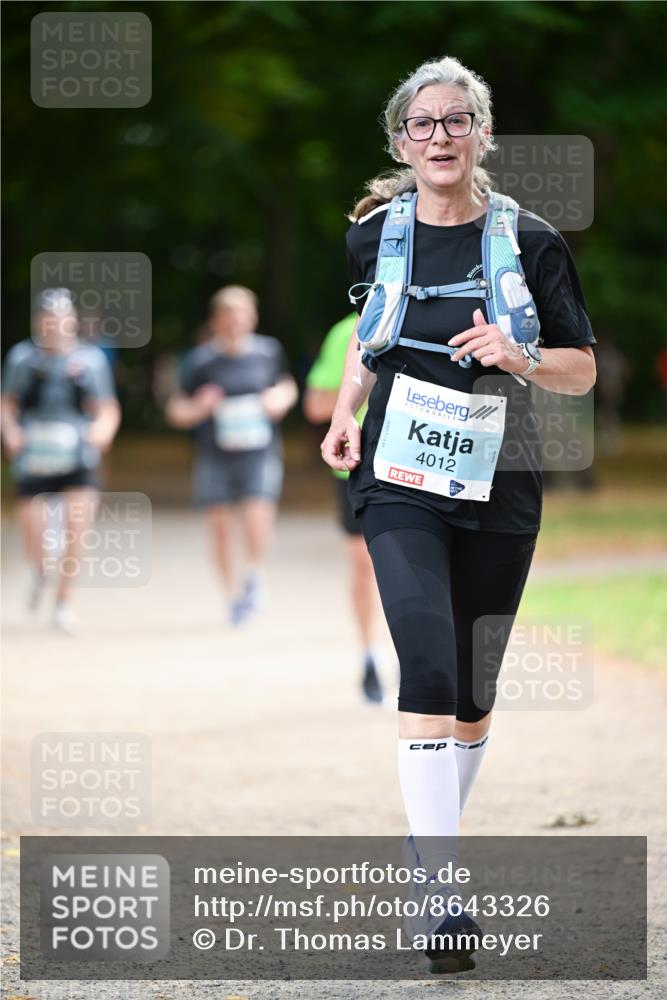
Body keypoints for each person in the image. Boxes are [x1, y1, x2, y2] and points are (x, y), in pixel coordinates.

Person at [320, 56, 596, 969]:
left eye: (455, 122)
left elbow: (580, 368)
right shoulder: (373, 235)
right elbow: (370, 336)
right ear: (400, 141)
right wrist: (342, 410)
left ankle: (425, 844)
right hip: (399, 477)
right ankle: (439, 894)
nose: (438, 138)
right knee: (429, 666)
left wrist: (517, 355)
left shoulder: (533, 241)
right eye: (421, 125)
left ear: (480, 134)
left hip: (502, 478)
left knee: (474, 698)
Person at [166, 285, 297, 625]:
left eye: (241, 316)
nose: (235, 323)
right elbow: (176, 409)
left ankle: (253, 572)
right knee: (220, 528)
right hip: (215, 454)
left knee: (257, 517)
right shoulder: (201, 360)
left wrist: (279, 399)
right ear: (215, 321)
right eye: (228, 317)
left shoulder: (268, 352)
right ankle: (232, 596)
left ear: (252, 318)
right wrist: (198, 407)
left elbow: (287, 385)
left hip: (259, 450)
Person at [1, 288, 121, 634]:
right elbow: (7, 404)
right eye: (47, 319)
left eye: (61, 319)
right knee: (33, 532)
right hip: (34, 458)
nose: (54, 326)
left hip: (77, 457)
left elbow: (107, 408)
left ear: (72, 322)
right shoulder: (22, 359)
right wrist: (10, 432)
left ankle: (64, 601)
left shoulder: (91, 361)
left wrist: (102, 431)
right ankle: (40, 571)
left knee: (76, 532)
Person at [304, 313, 384, 704]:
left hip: (426, 466)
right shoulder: (345, 332)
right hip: (359, 469)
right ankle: (370, 655)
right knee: (365, 568)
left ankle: (417, 653)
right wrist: (364, 385)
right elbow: (316, 406)